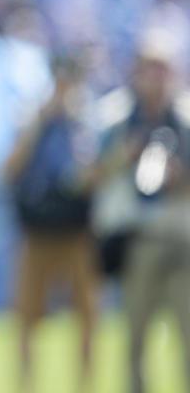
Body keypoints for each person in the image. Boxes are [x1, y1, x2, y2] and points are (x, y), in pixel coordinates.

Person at [91, 33, 190, 393]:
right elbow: (88, 175)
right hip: (137, 238)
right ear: (135, 72)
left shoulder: (185, 115)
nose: (157, 77)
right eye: (150, 68)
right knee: (135, 337)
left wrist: (179, 177)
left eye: (163, 68)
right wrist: (123, 156)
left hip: (182, 238)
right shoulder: (114, 116)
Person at [3, 55, 99, 393]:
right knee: (27, 317)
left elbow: (96, 174)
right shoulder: (33, 116)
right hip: (38, 231)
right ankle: (26, 386)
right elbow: (10, 168)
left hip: (75, 231)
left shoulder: (87, 120)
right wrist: (39, 124)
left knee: (87, 316)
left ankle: (84, 385)